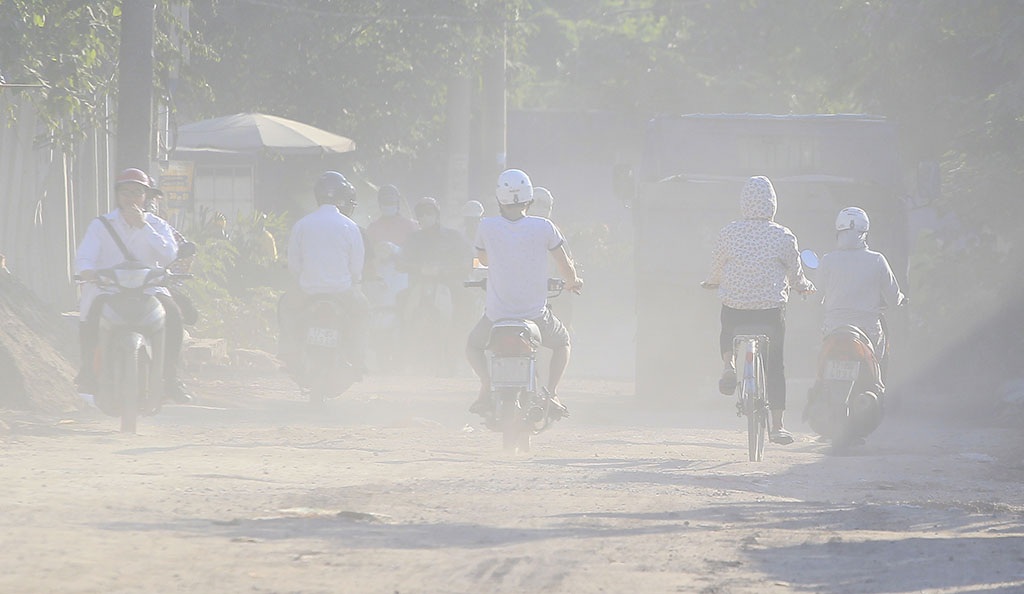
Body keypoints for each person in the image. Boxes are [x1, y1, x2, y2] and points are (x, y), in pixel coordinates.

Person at [702, 175, 815, 445]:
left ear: (744, 203)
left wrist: (712, 282)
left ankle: (728, 365)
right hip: (770, 311)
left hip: (736, 308)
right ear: (772, 204)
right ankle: (777, 426)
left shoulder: (729, 232)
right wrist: (803, 287)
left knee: (727, 325)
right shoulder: (783, 235)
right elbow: (795, 273)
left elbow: (717, 266)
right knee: (775, 364)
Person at [467, 169, 584, 416]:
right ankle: (551, 394)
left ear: (499, 199)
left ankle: (486, 385)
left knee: (473, 346)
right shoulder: (544, 227)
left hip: (496, 317)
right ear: (529, 199)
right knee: (563, 342)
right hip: (535, 317)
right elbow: (564, 263)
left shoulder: (486, 226)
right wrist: (572, 281)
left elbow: (482, 260)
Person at [74, 167, 193, 403]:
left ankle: (171, 379)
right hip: (109, 288)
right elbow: (85, 256)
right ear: (118, 195)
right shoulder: (101, 224)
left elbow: (169, 255)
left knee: (173, 315)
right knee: (92, 316)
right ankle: (89, 372)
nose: (131, 198)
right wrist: (88, 272)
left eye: (137, 192)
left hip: (148, 289)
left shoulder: (157, 225)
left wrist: (142, 226)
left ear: (145, 197)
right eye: (126, 192)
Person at [278, 170, 369, 378]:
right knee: (363, 311)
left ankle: (288, 352)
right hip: (342, 293)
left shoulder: (302, 224)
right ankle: (358, 359)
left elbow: (294, 264)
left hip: (307, 292)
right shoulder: (350, 226)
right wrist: (354, 282)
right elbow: (357, 267)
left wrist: (303, 281)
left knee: (285, 306)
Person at [817, 207, 905, 377]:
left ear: (838, 231)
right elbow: (894, 298)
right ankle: (878, 385)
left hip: (833, 327)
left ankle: (819, 386)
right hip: (868, 328)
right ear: (865, 232)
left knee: (822, 357)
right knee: (880, 356)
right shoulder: (877, 260)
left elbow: (816, 297)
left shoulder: (827, 260)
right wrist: (901, 299)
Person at [399, 197, 473, 375]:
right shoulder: (413, 239)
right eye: (421, 214)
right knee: (399, 301)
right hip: (420, 285)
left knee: (466, 305)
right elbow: (400, 262)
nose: (425, 216)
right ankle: (402, 356)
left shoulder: (454, 237)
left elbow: (470, 260)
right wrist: (419, 269)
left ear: (436, 214)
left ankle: (461, 356)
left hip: (449, 284)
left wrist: (447, 270)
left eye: (429, 212)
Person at [365, 184, 418, 249]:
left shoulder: (410, 226)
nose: (388, 205)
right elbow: (368, 251)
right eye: (385, 202)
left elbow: (416, 250)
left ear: (397, 203)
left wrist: (399, 251)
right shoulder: (372, 228)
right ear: (379, 203)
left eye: (391, 202)